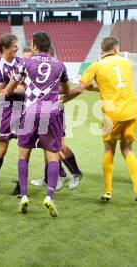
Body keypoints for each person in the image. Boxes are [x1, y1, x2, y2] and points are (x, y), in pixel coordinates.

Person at [62, 37, 137, 202]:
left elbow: (79, 88)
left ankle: (108, 191)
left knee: (108, 150)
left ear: (102, 50)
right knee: (128, 149)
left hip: (112, 114)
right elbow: (116, 85)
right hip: (132, 111)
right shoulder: (126, 63)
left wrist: (61, 99)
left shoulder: (96, 66)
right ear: (115, 48)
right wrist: (96, 88)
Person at [2, 32, 72, 217]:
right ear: (49, 47)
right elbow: (67, 90)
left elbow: (11, 85)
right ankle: (49, 196)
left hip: (30, 112)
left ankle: (24, 195)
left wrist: (6, 93)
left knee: (24, 155)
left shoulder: (25, 63)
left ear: (34, 46)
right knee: (53, 157)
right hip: (51, 113)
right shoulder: (60, 65)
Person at [30, 46, 83, 190]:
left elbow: (68, 90)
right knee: (45, 144)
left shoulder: (56, 69)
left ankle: (75, 173)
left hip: (55, 110)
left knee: (58, 145)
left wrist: (54, 98)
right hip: (41, 110)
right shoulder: (40, 69)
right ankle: (50, 178)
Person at [0, 34, 24, 194]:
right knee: (3, 146)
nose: (17, 48)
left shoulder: (21, 63)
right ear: (5, 47)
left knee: (23, 147)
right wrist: (17, 86)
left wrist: (12, 88)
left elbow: (26, 88)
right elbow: (2, 94)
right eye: (14, 46)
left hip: (23, 109)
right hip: (6, 111)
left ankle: (20, 184)